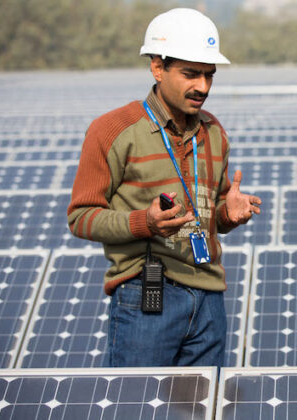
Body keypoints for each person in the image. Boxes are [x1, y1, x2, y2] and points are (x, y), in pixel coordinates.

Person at [67, 8, 261, 367]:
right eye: (191, 74)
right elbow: (81, 217)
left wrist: (227, 215)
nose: (202, 87)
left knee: (202, 408)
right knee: (138, 405)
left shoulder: (214, 132)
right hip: (148, 294)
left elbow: (209, 216)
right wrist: (145, 223)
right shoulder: (112, 131)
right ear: (157, 67)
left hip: (209, 297)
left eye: (209, 75)